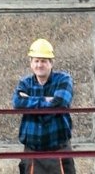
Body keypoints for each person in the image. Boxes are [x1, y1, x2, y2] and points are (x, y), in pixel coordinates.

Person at [13, 39, 75, 174]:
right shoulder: (25, 83)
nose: (39, 65)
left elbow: (60, 102)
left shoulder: (63, 79)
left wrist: (29, 101)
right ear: (31, 63)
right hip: (32, 152)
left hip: (58, 150)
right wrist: (46, 101)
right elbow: (17, 103)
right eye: (36, 61)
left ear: (51, 63)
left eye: (44, 61)